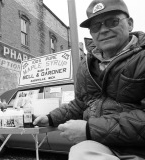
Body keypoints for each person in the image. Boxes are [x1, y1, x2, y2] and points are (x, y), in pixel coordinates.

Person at [33, 0, 145, 159]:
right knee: (81, 152)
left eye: (112, 21)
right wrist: (51, 117)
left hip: (138, 149)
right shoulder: (86, 65)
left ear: (130, 23)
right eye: (96, 26)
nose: (104, 30)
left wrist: (89, 130)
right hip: (99, 145)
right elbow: (81, 103)